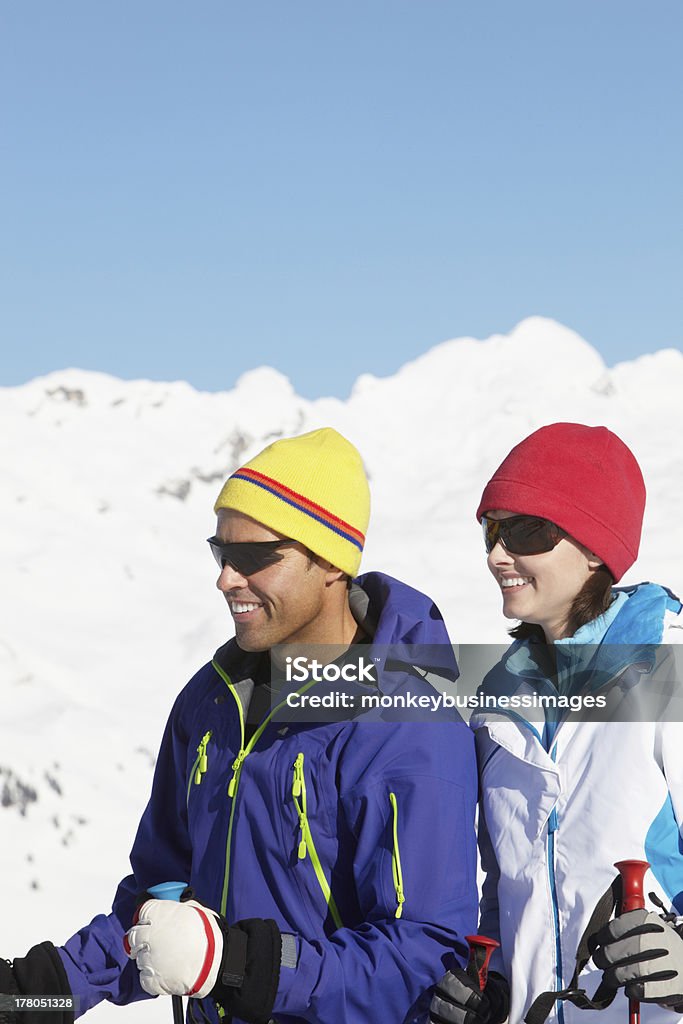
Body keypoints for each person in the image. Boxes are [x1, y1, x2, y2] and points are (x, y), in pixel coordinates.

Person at [1, 427, 478, 1024]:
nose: (226, 579)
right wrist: (37, 991)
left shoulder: (407, 725)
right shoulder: (210, 702)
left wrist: (239, 966)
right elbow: (160, 901)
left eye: (254, 557)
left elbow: (424, 959)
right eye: (221, 552)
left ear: (330, 561)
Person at [430, 422, 683, 1024]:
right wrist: (491, 986)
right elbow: (508, 887)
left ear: (596, 548)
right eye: (493, 530)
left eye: (526, 532)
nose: (498, 554)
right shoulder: (496, 702)